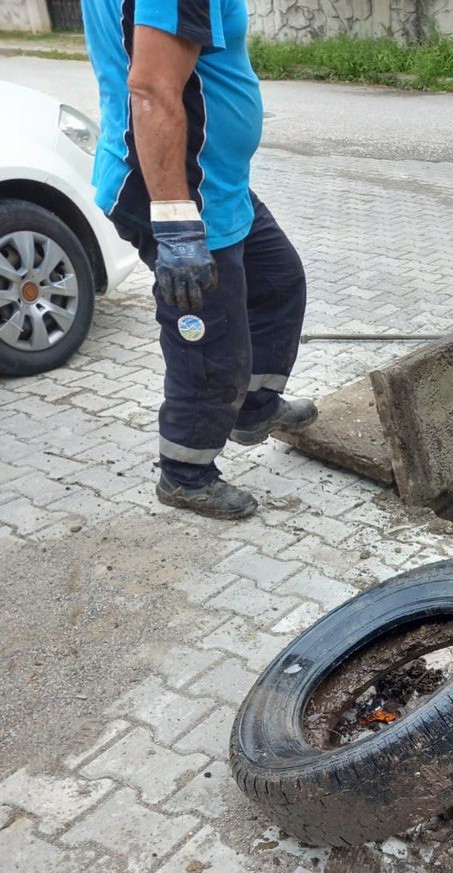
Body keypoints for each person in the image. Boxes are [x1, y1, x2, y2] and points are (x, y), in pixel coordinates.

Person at [80, 0, 317, 519]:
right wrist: (177, 225)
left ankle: (254, 410)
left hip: (217, 184)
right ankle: (185, 473)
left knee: (278, 282)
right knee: (212, 345)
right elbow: (152, 89)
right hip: (182, 195)